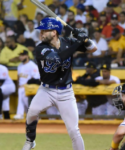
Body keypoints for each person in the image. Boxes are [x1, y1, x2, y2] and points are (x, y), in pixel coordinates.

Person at [21, 17, 97, 150]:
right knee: (32, 112)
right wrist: (78, 42)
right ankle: (30, 141)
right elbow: (57, 58)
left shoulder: (68, 41)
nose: (41, 33)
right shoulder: (40, 48)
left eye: (44, 30)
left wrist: (85, 38)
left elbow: (93, 48)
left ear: (54, 32)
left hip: (66, 92)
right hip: (46, 91)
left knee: (74, 130)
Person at [13, 50, 40, 119]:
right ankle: (21, 114)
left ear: (27, 56)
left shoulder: (32, 65)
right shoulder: (20, 66)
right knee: (22, 101)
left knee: (27, 103)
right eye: (20, 55)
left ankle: (33, 115)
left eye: (23, 55)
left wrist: (26, 85)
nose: (21, 57)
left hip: (29, 88)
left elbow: (35, 78)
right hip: (21, 87)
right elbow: (18, 77)